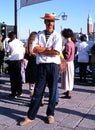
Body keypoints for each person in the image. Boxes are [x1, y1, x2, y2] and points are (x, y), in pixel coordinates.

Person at [20, 13, 62, 126]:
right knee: (38, 92)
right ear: (45, 22)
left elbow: (56, 52)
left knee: (53, 91)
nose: (50, 23)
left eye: (52, 21)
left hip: (53, 66)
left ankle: (50, 114)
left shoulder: (57, 36)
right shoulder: (39, 34)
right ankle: (30, 116)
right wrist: (48, 49)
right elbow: (34, 49)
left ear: (54, 23)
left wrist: (41, 49)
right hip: (42, 66)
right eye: (48, 21)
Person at [6, 31, 25, 98]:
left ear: (10, 37)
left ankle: (13, 93)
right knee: (18, 77)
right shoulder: (21, 42)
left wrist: (8, 56)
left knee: (13, 78)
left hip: (12, 61)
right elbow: (23, 50)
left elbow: (8, 53)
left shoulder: (10, 44)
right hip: (19, 61)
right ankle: (20, 92)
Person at [61, 28, 75, 99]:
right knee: (70, 78)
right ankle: (68, 91)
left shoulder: (68, 44)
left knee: (67, 78)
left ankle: (68, 93)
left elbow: (67, 55)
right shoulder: (72, 43)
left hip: (67, 63)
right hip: (71, 62)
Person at [24, 31, 37, 97]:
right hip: (38, 66)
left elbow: (25, 58)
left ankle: (32, 99)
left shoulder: (28, 46)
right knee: (39, 84)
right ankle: (41, 100)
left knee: (31, 84)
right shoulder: (37, 45)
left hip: (30, 66)